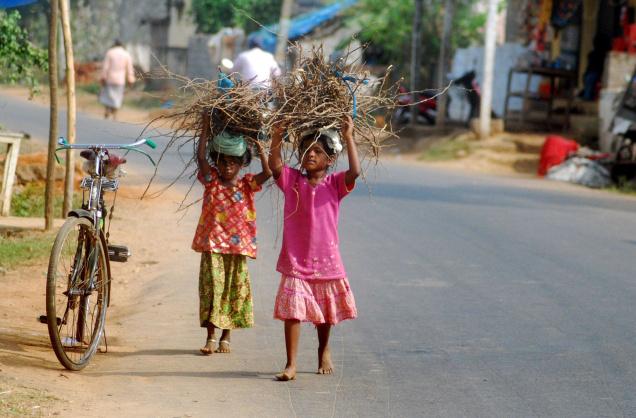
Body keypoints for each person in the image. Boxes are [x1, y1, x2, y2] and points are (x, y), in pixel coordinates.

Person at [268, 115, 360, 381]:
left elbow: (354, 172)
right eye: (307, 150)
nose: (311, 154)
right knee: (293, 312)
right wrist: (277, 136)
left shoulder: (335, 185)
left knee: (325, 312)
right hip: (296, 260)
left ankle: (323, 349)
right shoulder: (292, 180)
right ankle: (291, 364)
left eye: (318, 151)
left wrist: (349, 136)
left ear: (330, 160)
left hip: (326, 260)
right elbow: (275, 166)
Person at [193, 111, 272, 355]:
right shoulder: (212, 180)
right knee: (212, 290)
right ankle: (210, 337)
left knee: (232, 291)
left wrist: (259, 143)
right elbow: (200, 157)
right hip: (213, 245)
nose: (228, 166)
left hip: (237, 249)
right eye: (223, 161)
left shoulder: (247, 184)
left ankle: (226, 337)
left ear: (241, 164)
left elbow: (268, 173)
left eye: (233, 162)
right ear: (217, 161)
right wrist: (205, 128)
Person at [99, 40, 135, 120]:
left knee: (108, 95)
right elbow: (129, 69)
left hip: (110, 78)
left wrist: (103, 77)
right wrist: (131, 79)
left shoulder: (110, 52)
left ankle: (107, 110)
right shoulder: (126, 54)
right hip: (120, 79)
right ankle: (115, 113)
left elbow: (105, 67)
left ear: (114, 45)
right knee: (118, 96)